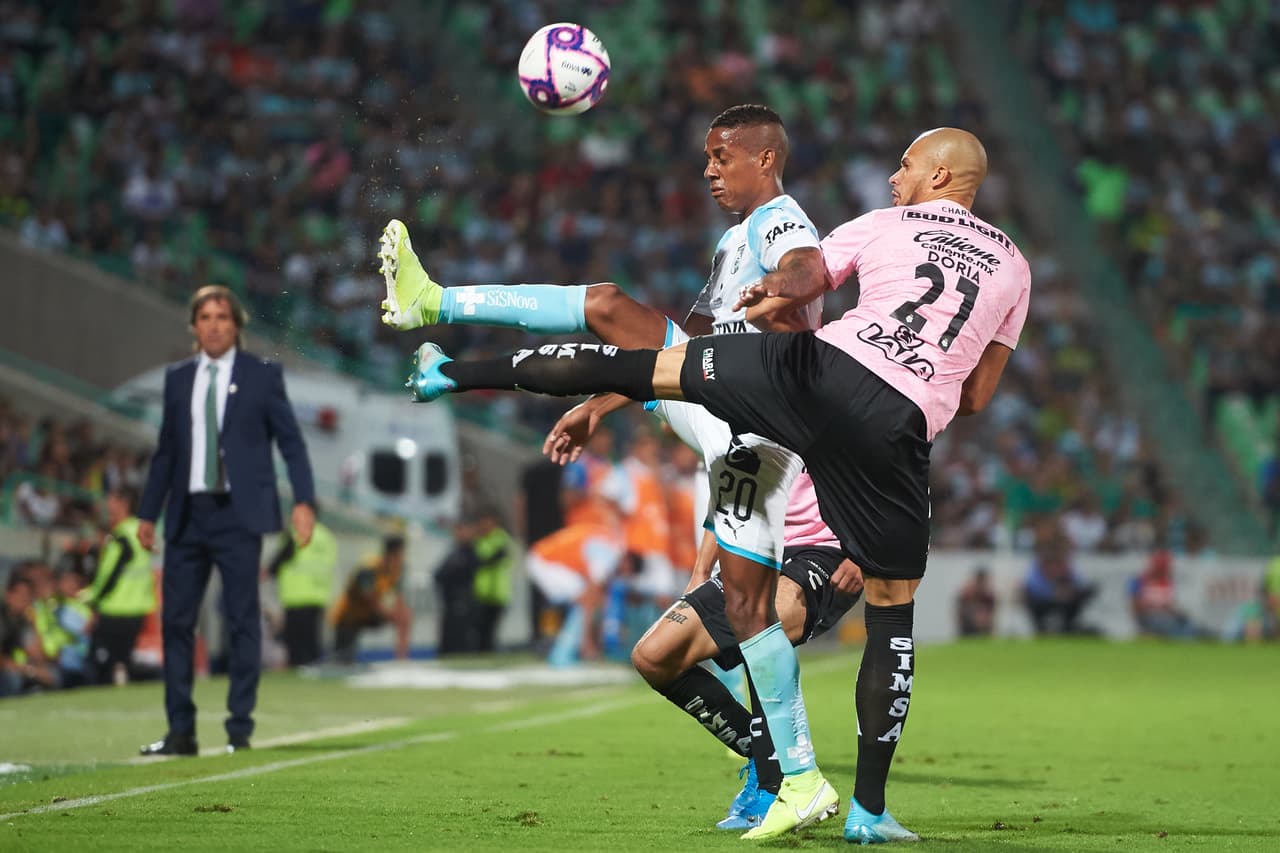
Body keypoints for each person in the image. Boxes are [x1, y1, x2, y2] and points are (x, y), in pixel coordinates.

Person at [401, 127, 1031, 843]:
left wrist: (771, 296)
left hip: (813, 374)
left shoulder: (883, 223)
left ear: (943, 175)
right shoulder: (1015, 265)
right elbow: (978, 395)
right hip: (899, 424)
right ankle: (869, 810)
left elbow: (811, 276)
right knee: (892, 619)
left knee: (637, 361)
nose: (894, 176)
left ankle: (453, 373)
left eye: (907, 165)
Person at [381, 104, 841, 837]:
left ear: (764, 157)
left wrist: (780, 289)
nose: (709, 170)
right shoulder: (732, 241)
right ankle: (434, 304)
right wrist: (603, 404)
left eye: (722, 156)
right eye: (707, 156)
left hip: (757, 421)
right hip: (716, 403)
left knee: (751, 611)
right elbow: (681, 349)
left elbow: (808, 266)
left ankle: (785, 775)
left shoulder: (779, 218)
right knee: (603, 305)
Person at [137, 284, 316, 756]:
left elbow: (291, 442)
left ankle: (239, 727)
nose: (214, 325)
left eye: (222, 317)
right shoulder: (177, 379)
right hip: (187, 515)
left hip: (239, 514)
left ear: (236, 324)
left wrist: (304, 500)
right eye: (205, 317)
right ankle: (181, 731)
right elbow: (166, 451)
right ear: (194, 326)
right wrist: (147, 512)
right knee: (176, 622)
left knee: (241, 621)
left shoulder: (262, 376)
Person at [84, 486, 157, 684]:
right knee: (123, 660)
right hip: (138, 608)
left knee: (100, 663)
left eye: (111, 500)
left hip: (115, 609)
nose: (107, 505)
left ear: (123, 503)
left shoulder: (121, 535)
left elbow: (109, 575)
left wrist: (92, 600)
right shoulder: (142, 530)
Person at [266, 510, 338, 667]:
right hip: (318, 594)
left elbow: (283, 556)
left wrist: (268, 571)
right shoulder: (326, 536)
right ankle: (314, 669)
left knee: (295, 643)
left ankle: (298, 670)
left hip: (296, 595)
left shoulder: (297, 531)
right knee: (312, 639)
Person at [330, 535, 410, 663]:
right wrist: (390, 614)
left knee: (405, 616)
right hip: (348, 616)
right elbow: (369, 599)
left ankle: (401, 660)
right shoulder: (368, 568)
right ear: (392, 555)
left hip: (370, 614)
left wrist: (399, 613)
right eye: (400, 554)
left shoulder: (397, 570)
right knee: (343, 658)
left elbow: (397, 597)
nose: (402, 558)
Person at [1127, 550, 1200, 639]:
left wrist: (1177, 613)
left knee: (1186, 621)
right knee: (1170, 627)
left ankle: (1198, 634)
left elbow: (1170, 605)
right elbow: (1134, 606)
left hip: (1166, 616)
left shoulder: (1167, 582)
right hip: (1149, 616)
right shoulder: (1139, 580)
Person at [471, 509, 515, 653]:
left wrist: (484, 560)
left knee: (491, 628)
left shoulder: (501, 539)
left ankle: (489, 651)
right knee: (481, 628)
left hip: (498, 591)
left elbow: (491, 558)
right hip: (482, 592)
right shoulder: (480, 540)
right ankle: (483, 651)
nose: (485, 526)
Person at [956, 567, 997, 636]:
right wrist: (974, 617)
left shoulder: (988, 596)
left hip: (984, 627)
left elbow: (992, 613)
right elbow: (960, 612)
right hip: (968, 626)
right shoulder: (967, 594)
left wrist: (985, 618)